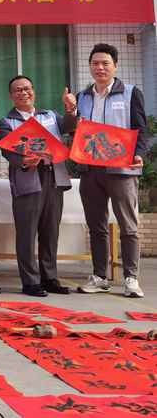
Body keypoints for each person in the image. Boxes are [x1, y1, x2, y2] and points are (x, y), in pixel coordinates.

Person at [67, 43, 147, 298]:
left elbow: (141, 129)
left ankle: (131, 278)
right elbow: (73, 131)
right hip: (91, 170)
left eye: (105, 63)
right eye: (95, 63)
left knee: (128, 226)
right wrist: (71, 111)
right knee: (97, 226)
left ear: (115, 66)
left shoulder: (131, 93)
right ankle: (100, 276)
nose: (100, 68)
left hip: (122, 170)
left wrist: (139, 154)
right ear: (89, 66)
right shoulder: (82, 96)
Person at [0, 75, 76, 297]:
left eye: (27, 88)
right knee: (27, 231)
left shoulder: (50, 115)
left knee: (50, 230)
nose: (24, 93)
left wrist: (71, 110)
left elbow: (69, 127)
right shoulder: (7, 122)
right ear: (11, 96)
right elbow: (7, 150)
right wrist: (23, 160)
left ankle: (49, 278)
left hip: (54, 177)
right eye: (18, 90)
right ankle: (30, 281)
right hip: (27, 177)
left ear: (34, 91)